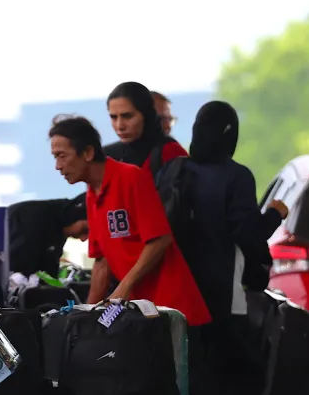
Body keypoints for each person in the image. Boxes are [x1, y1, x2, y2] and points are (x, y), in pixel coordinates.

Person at [49, 115, 211, 326]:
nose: (57, 166)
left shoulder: (130, 177)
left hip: (173, 310)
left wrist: (123, 287)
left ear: (88, 153)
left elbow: (160, 240)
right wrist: (86, 314)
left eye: (62, 156)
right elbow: (102, 261)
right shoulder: (92, 194)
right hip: (142, 315)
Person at [186, 101, 288, 395]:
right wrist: (275, 214)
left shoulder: (177, 171)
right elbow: (248, 233)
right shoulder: (236, 176)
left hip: (182, 288)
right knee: (236, 371)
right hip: (223, 288)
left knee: (195, 367)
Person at [103, 81, 187, 176]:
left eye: (127, 116)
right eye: (113, 117)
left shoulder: (170, 152)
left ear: (147, 116)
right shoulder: (107, 157)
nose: (119, 126)